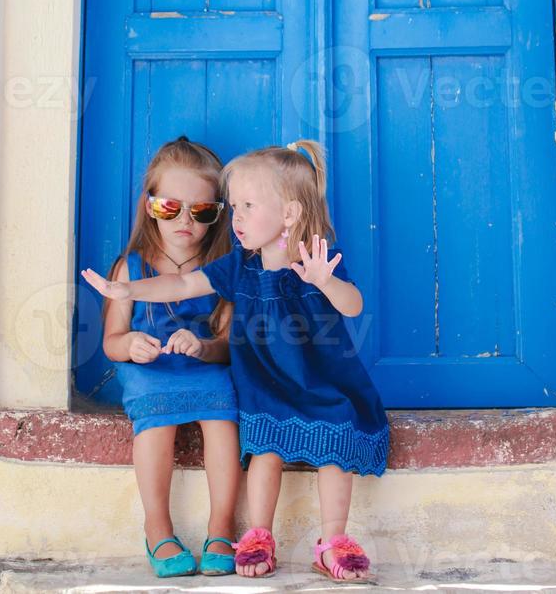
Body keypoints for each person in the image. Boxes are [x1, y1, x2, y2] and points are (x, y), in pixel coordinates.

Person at [84, 139, 389, 584]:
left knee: (336, 443)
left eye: (247, 206)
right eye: (235, 207)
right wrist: (129, 291)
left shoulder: (314, 261)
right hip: (266, 384)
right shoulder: (238, 266)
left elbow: (353, 306)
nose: (237, 218)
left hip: (320, 381)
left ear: (289, 214)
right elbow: (183, 285)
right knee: (264, 446)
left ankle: (332, 541)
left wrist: (326, 283)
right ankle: (260, 534)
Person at [99, 135, 241, 578]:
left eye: (201, 211)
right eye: (169, 208)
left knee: (223, 416)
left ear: (217, 214)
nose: (185, 221)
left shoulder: (220, 271)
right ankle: (157, 524)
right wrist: (131, 347)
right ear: (149, 206)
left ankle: (222, 524)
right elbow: (112, 341)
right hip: (149, 371)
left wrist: (202, 348)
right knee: (156, 422)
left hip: (201, 368)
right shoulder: (132, 267)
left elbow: (225, 347)